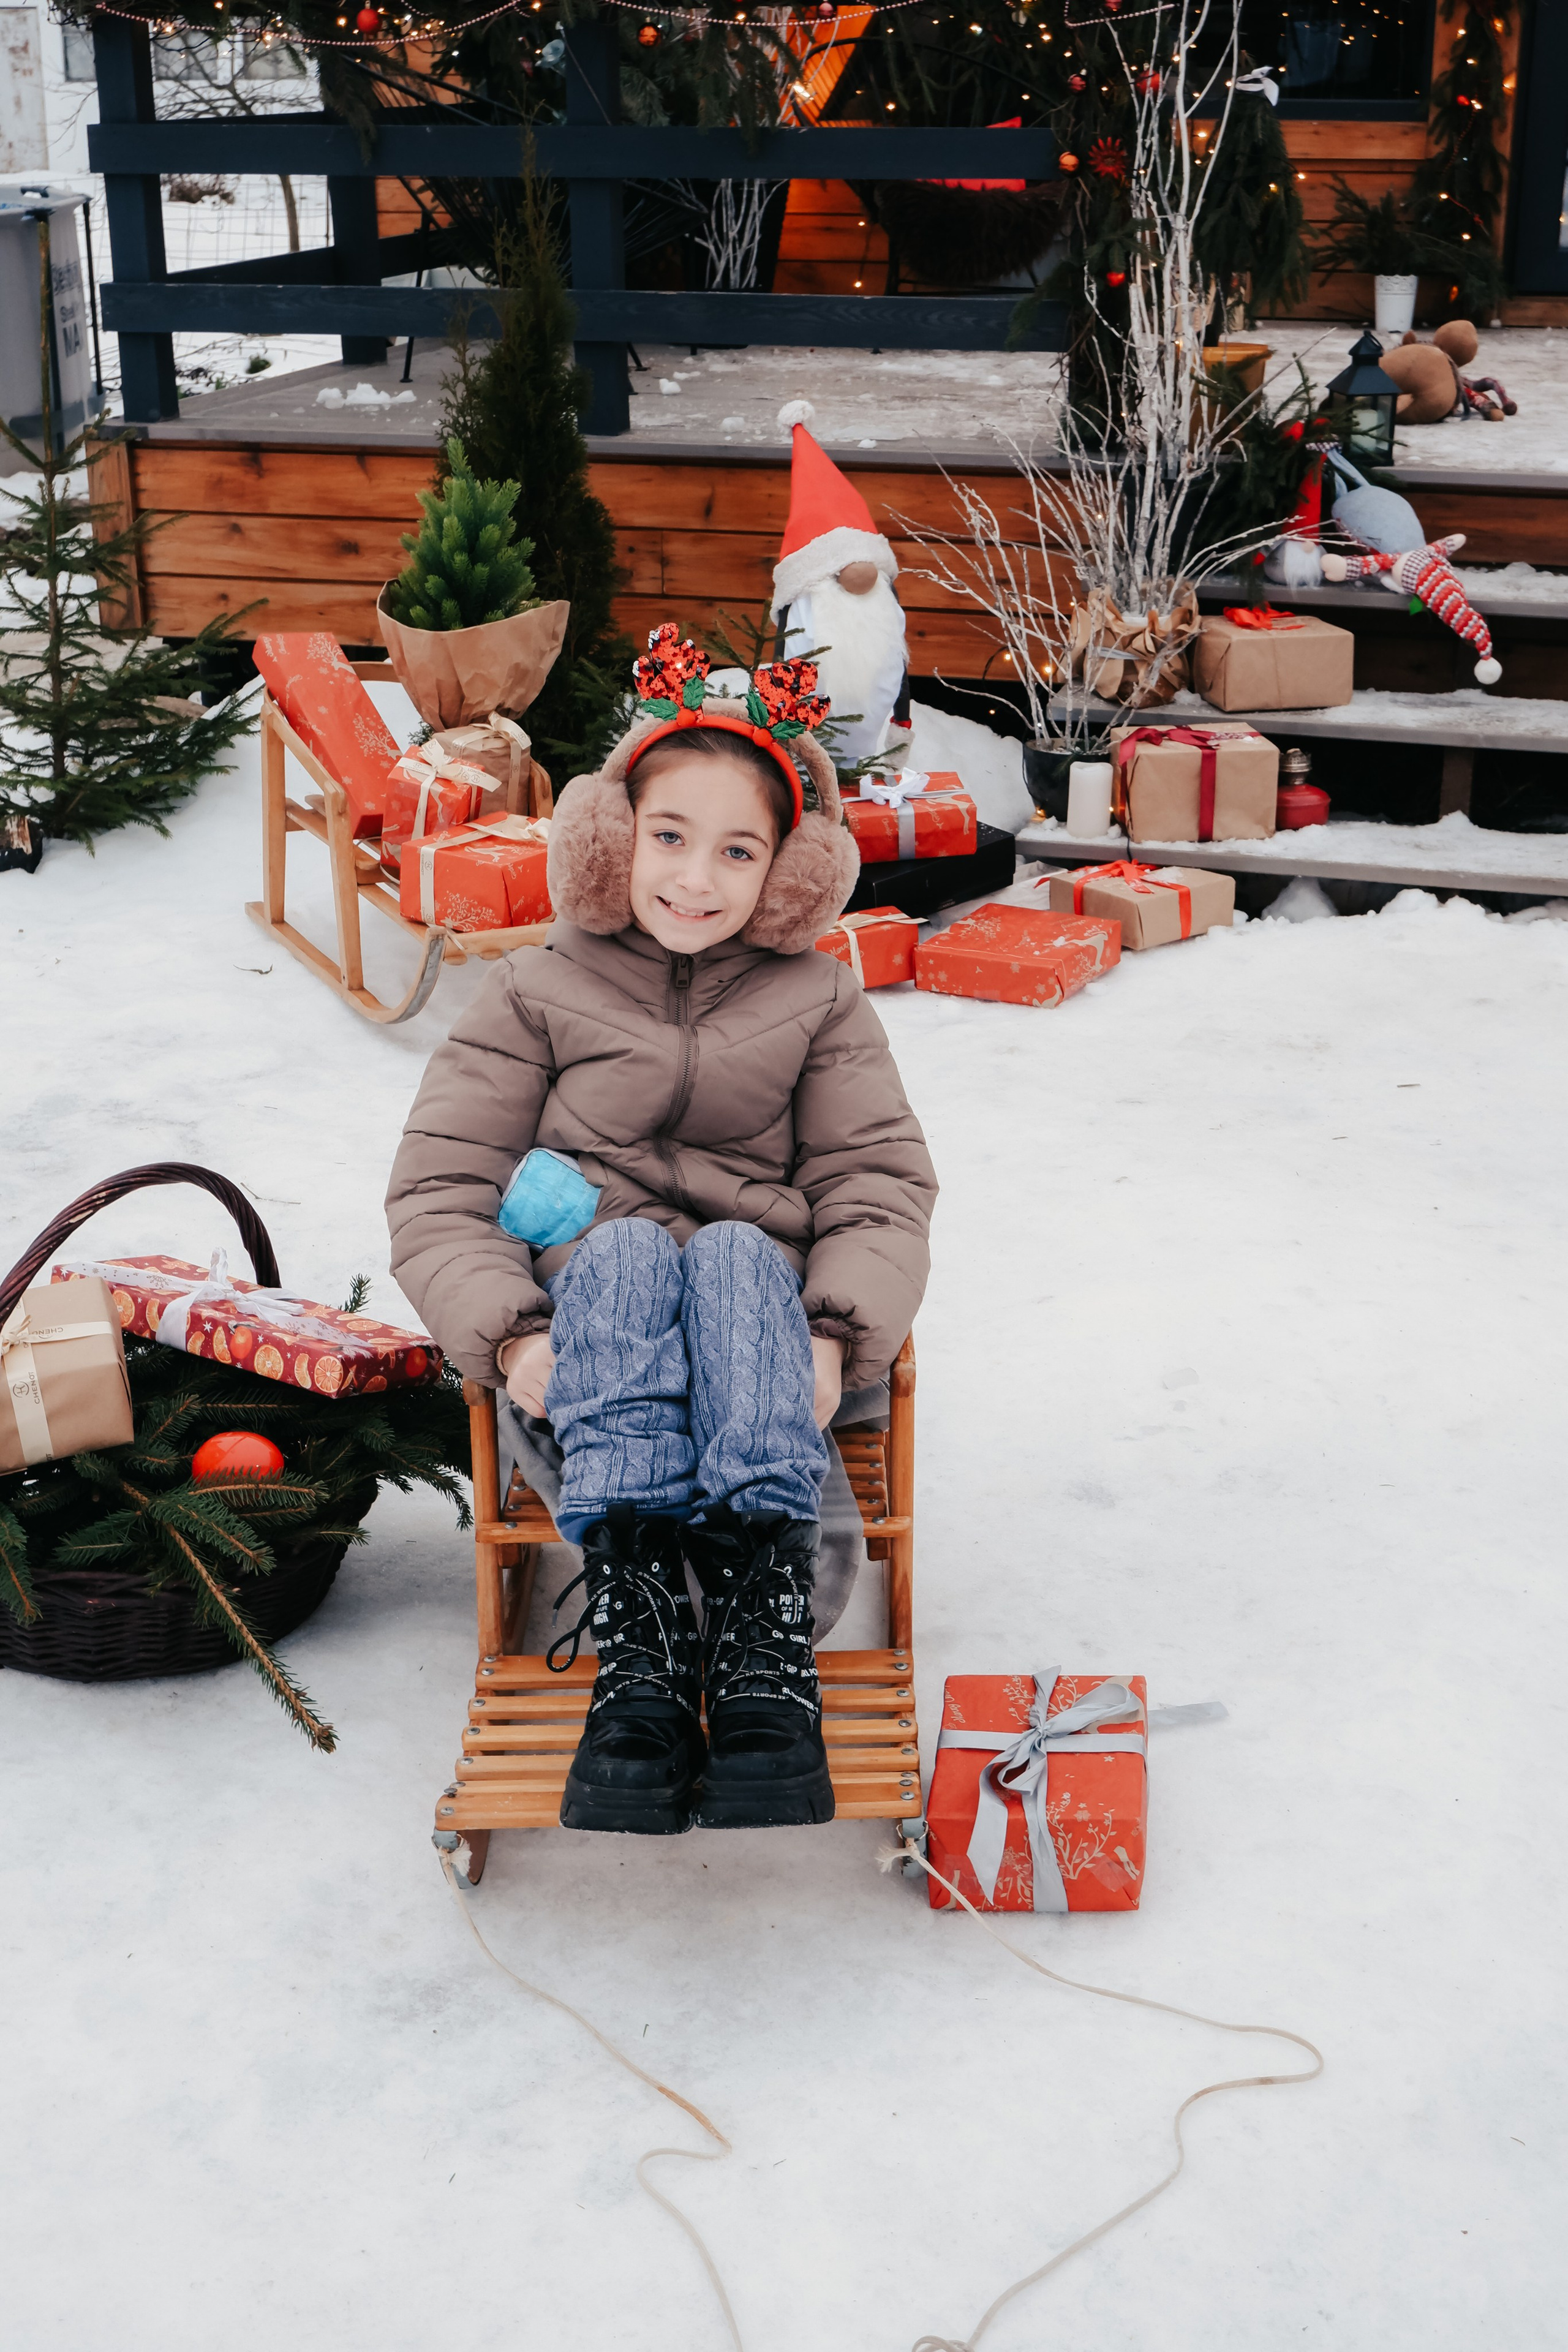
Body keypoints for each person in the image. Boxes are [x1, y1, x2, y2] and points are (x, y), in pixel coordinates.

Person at [386, 625, 937, 1839]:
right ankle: (638, 1631)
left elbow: (875, 1180)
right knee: (628, 1253)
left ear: (789, 873)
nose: (694, 877)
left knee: (736, 1251)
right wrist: (515, 1337)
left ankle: (759, 1634)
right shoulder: (536, 989)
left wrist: (838, 1335)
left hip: (764, 1337)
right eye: (667, 836)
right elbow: (441, 1184)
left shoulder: (820, 999)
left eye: (737, 851)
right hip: (593, 1331)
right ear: (608, 838)